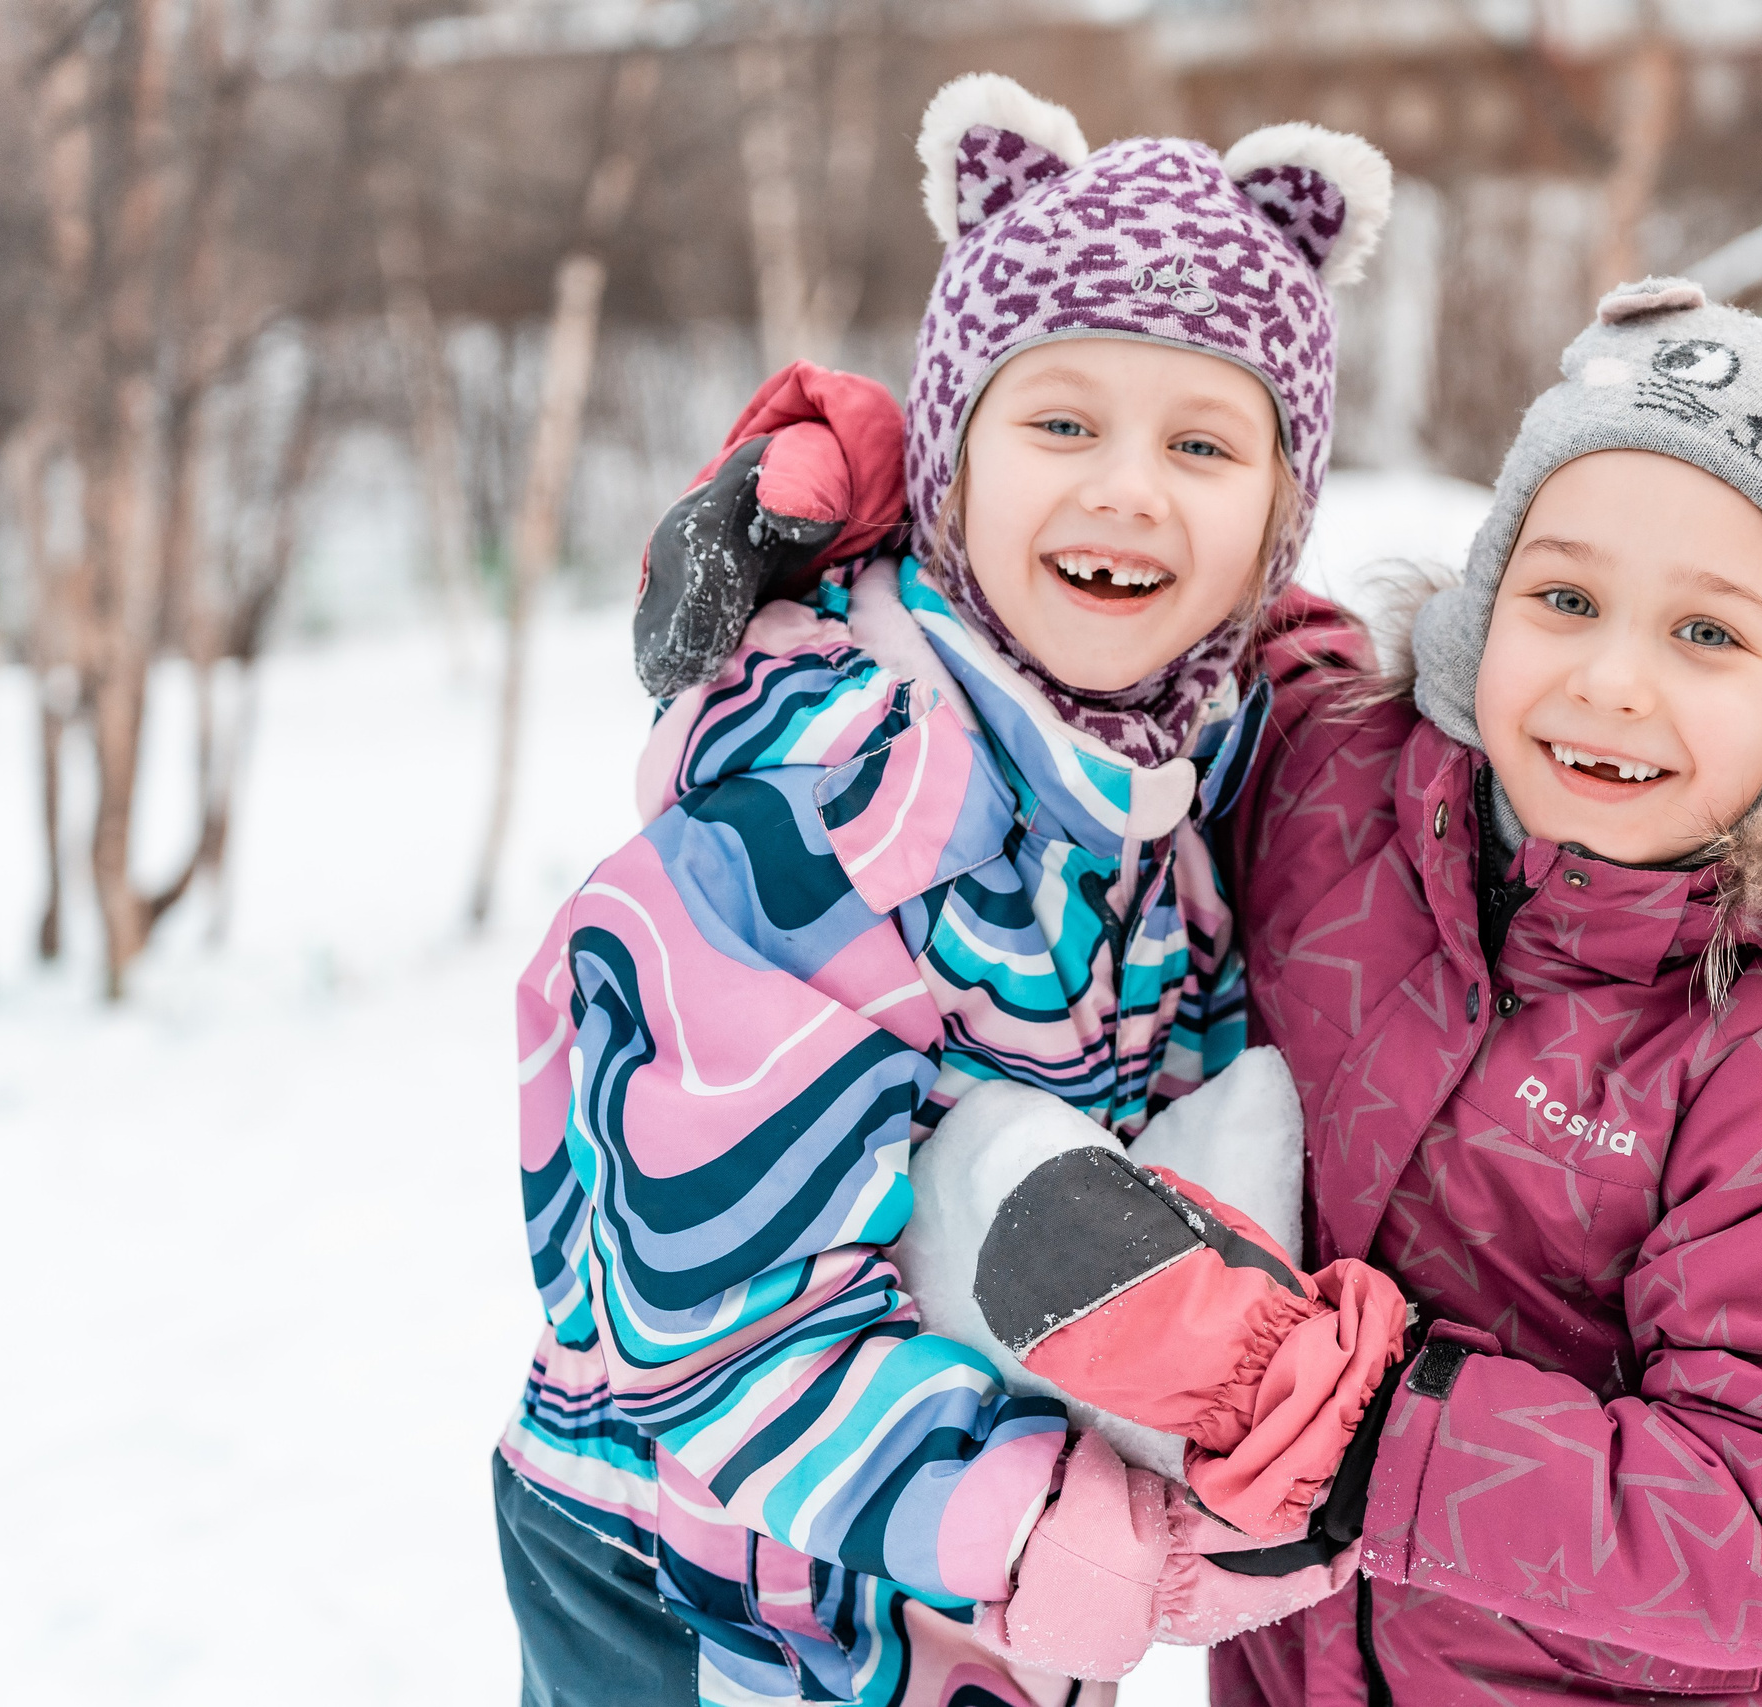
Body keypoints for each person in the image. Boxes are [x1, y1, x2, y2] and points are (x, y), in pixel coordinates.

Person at [914, 280, 1762, 1706]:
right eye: (1564, 600)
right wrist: (886, 489)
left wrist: (1328, 1417)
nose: (1609, 679)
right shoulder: (1344, 795)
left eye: (1709, 636)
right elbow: (1188, 583)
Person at [494, 74, 1409, 1707]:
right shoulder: (836, 800)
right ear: (950, 460)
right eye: (1060, 421)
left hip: (953, 1592)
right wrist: (1058, 1527)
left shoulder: (1164, 781)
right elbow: (702, 1312)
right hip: (702, 1583)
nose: (1129, 488)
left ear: (1279, 522)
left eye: (1204, 442)